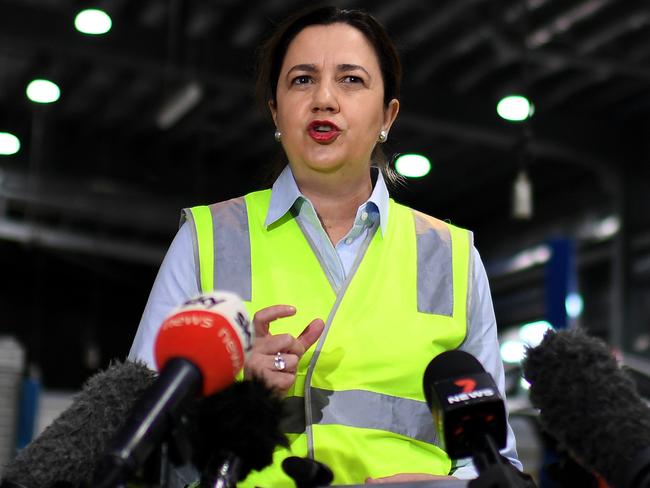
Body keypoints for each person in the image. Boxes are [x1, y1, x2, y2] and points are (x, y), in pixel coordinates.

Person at [128, 6, 521, 486]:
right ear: (276, 110)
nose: (325, 99)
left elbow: (492, 459)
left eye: (351, 80)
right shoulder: (208, 237)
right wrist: (230, 393)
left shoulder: (453, 256)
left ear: (387, 115)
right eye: (301, 80)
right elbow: (135, 430)